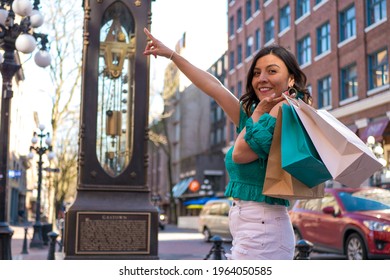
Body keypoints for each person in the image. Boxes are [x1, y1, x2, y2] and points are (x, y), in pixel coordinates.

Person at [143, 28, 312, 260]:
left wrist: (257, 116)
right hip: (251, 224)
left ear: (291, 78)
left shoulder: (284, 111)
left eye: (272, 71)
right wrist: (172, 55)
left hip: (263, 228)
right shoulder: (257, 113)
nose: (261, 78)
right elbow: (215, 87)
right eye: (256, 73)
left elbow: (240, 154)